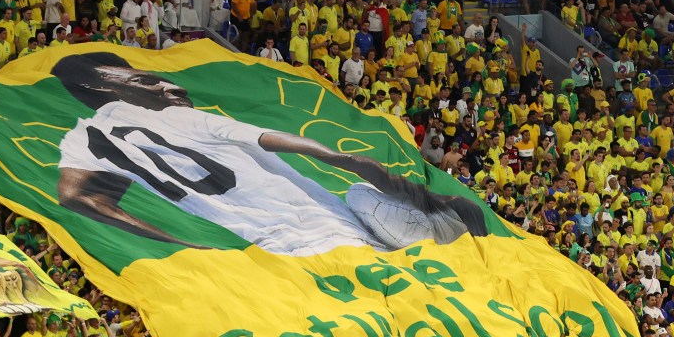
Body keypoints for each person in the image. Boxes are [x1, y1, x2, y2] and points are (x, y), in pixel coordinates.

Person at [53, 53, 489, 257]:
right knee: (362, 193)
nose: (169, 85)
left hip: (275, 249)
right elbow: (288, 143)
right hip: (332, 226)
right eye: (147, 81)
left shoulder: (82, 139)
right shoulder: (177, 116)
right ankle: (452, 234)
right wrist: (367, 170)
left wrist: (185, 245)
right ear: (102, 87)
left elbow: (75, 195)